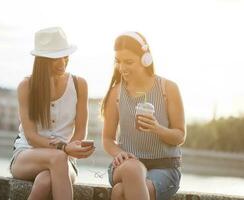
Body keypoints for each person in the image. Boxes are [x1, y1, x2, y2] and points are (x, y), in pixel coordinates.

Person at [10, 27, 95, 200]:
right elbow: (32, 137)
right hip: (27, 155)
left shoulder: (80, 85)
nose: (62, 63)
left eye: (65, 57)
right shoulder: (26, 86)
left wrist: (74, 148)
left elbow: (80, 131)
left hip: (65, 160)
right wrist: (63, 148)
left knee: (44, 182)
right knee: (57, 158)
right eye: (55, 58)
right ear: (42, 60)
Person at [101, 31, 186, 200]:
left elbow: (180, 136)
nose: (122, 68)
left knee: (120, 192)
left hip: (165, 168)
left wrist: (157, 129)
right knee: (133, 169)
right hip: (126, 164)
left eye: (128, 62)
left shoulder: (168, 89)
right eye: (118, 61)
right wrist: (118, 153)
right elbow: (108, 139)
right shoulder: (115, 93)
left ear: (145, 59)